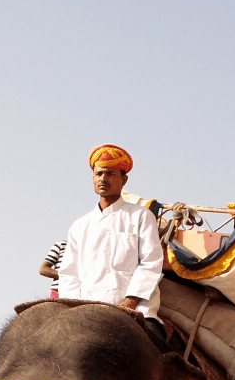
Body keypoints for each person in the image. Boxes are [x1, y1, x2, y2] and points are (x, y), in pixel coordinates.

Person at [55, 144, 165, 345]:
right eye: (99, 174)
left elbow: (151, 262)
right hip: (87, 313)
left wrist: (130, 302)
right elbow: (69, 274)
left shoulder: (141, 216)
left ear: (123, 180)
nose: (103, 179)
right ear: (93, 179)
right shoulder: (80, 226)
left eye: (110, 174)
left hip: (136, 311)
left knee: (161, 358)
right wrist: (75, 309)